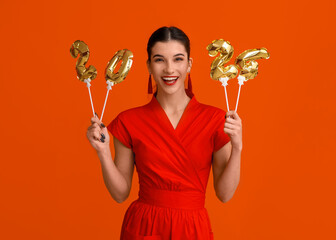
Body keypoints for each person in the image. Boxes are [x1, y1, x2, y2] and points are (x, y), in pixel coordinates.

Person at [86, 26, 242, 240]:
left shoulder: (215, 120)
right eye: (159, 60)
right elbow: (120, 194)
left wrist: (238, 148)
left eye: (178, 59)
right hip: (144, 226)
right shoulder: (128, 121)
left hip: (192, 228)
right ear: (149, 65)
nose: (169, 69)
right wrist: (102, 152)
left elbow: (224, 195)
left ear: (189, 64)